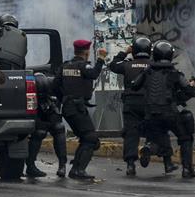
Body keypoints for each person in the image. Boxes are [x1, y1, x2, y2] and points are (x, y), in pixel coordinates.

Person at [130, 40, 195, 178]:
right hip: (169, 113)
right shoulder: (174, 73)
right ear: (169, 56)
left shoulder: (147, 72)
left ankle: (150, 148)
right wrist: (193, 84)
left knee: (159, 137)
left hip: (150, 114)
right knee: (185, 137)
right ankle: (187, 169)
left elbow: (134, 85)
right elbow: (190, 91)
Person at [109, 36, 177, 176]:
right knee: (159, 130)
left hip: (130, 105)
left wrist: (124, 52)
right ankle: (166, 161)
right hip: (149, 104)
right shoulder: (153, 65)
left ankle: (130, 165)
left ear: (134, 50)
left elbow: (113, 65)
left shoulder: (127, 65)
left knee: (131, 133)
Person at [55, 39, 106, 179]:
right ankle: (78, 170)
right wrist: (101, 58)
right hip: (77, 107)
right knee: (90, 138)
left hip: (68, 107)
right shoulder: (83, 66)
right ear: (86, 52)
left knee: (86, 138)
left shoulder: (65, 66)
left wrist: (64, 99)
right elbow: (94, 73)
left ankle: (76, 168)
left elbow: (55, 85)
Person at [26, 73, 67, 178]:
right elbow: (31, 114)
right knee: (39, 132)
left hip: (49, 108)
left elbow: (59, 102)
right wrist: (42, 124)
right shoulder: (30, 91)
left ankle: (62, 164)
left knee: (59, 128)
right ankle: (30, 166)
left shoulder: (53, 86)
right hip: (36, 112)